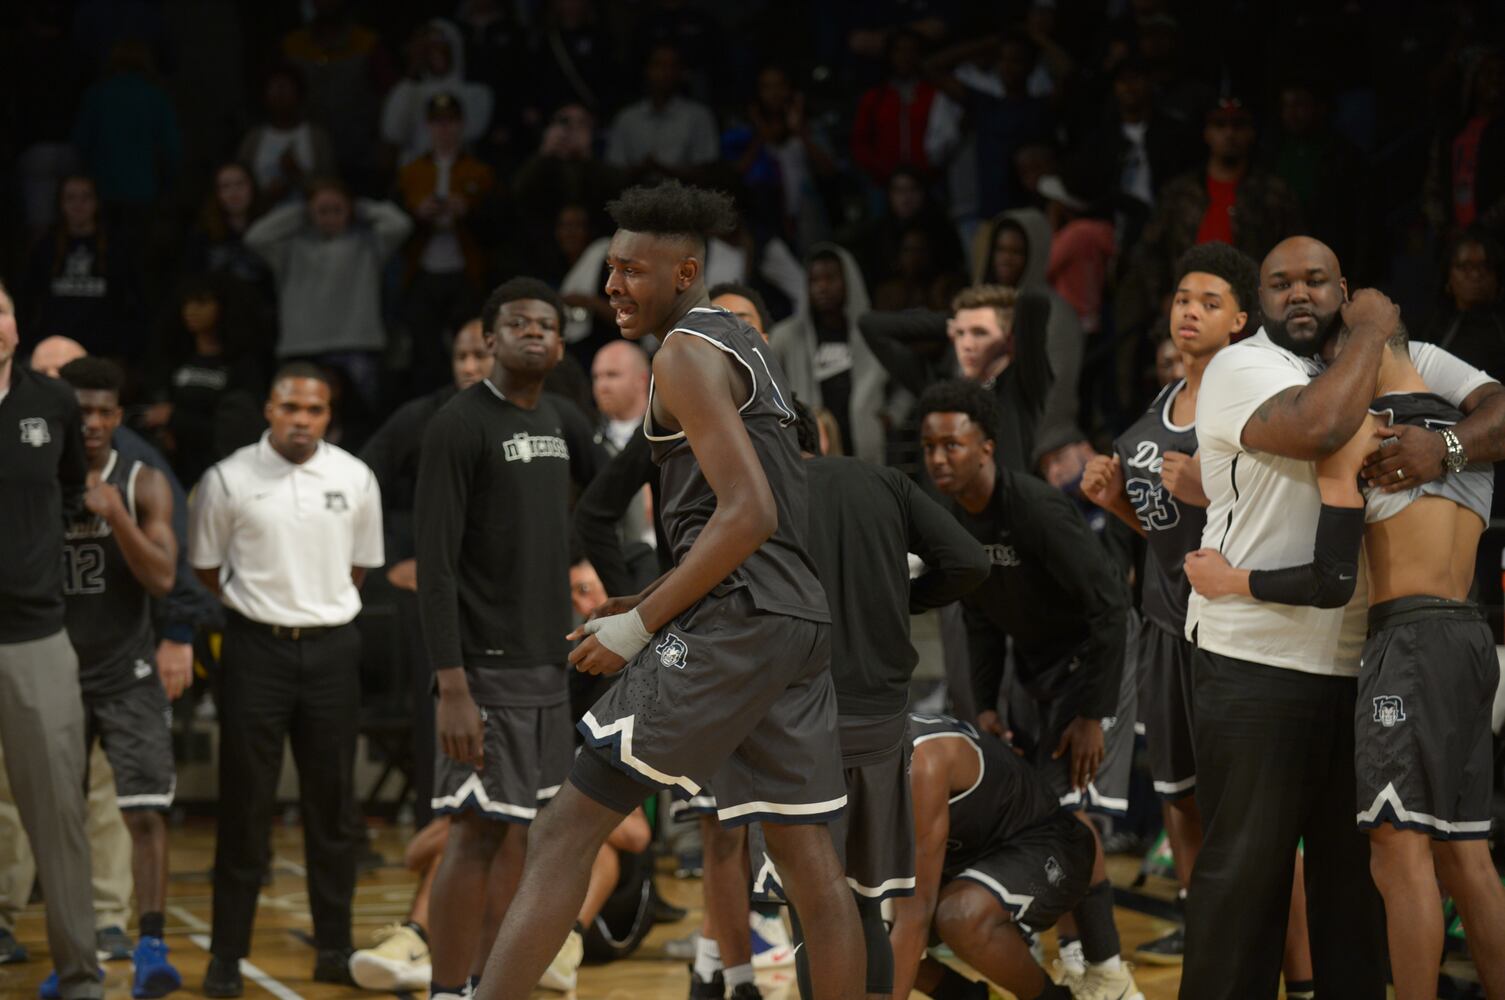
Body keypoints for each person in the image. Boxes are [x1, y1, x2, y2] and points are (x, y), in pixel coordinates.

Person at [473, 181, 864, 999]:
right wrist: (661, 595)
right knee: (806, 860)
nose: (611, 285)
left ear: (684, 272)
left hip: (741, 617)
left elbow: (749, 511)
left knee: (563, 827)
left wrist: (644, 620)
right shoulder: (742, 342)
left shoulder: (683, 352)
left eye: (631, 271)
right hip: (792, 617)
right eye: (610, 267)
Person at [1174, 235, 1505, 997]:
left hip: (1379, 651)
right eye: (1280, 283)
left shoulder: (1381, 417)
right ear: (1257, 302)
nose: (1298, 293)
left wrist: (1232, 579)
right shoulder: (1245, 366)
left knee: (1385, 867)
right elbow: (1317, 422)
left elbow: (1331, 574)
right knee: (1447, 858)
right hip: (1279, 660)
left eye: (1315, 281)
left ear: (1346, 294)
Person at [1080, 243, 1316, 979]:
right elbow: (1165, 531)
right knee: (1179, 803)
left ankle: (1304, 978)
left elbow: (1284, 505)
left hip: (1230, 631)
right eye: (1184, 298)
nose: (1189, 311)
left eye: (1209, 302)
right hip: (1162, 627)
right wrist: (1116, 500)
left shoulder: (1254, 397)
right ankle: (1205, 954)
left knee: (1252, 819)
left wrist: (1208, 491)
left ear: (1241, 319)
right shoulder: (1159, 405)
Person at [415, 278, 606, 999]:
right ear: (489, 340)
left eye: (547, 325)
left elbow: (606, 500)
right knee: (474, 833)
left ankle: (490, 987)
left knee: (522, 836)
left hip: (546, 666)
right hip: (481, 672)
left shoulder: (563, 418)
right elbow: (435, 567)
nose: (534, 333)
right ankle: (446, 991)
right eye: (519, 323)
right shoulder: (458, 424)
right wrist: (451, 685)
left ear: (560, 346)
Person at [917, 378, 1139, 997]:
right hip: (1037, 674)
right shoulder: (956, 521)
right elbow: (982, 620)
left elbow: (1110, 605)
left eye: (952, 445)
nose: (939, 458)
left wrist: (1093, 713)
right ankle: (1075, 957)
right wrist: (987, 705)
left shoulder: (1036, 509)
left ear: (986, 447)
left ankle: (1108, 971)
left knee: (1067, 815)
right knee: (1048, 815)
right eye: (929, 447)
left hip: (1095, 664)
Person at [189, 363, 385, 998]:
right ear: (269, 410)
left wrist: (313, 608)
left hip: (332, 651)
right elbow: (207, 570)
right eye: (291, 408)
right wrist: (268, 608)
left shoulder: (355, 476)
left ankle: (334, 947)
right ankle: (226, 956)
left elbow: (359, 568)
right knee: (245, 807)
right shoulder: (227, 478)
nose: (302, 420)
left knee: (334, 808)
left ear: (329, 415)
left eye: (315, 410)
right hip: (255, 650)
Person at [52, 358, 181, 999]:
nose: (94, 423)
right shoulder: (37, 484)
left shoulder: (142, 480)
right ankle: (73, 954)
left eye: (105, 411)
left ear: (119, 415)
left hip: (129, 672)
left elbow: (162, 577)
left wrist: (116, 516)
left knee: (145, 813)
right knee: (62, 820)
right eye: (83, 412)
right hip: (56, 672)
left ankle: (151, 946)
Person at [0, 279, 99, 1000]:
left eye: (1, 310)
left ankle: (80, 974)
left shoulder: (53, 402)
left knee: (59, 814)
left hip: (34, 636)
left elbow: (72, 489)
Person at [361, 318, 494, 839]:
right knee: (437, 712)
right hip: (439, 594)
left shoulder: (530, 413)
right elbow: (358, 479)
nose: (468, 367)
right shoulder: (424, 416)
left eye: (479, 356)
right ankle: (435, 831)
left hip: (502, 592)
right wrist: (390, 559)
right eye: (461, 357)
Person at [889, 714, 1115, 1000]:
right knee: (867, 923)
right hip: (967, 858)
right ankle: (967, 997)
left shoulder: (922, 761)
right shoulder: (848, 762)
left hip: (1046, 842)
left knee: (960, 915)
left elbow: (914, 915)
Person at [1115, 97, 1304, 341]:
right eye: (1220, 125)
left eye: (1238, 125)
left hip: (1254, 324)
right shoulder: (1179, 192)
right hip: (1186, 318)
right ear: (1206, 133)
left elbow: (1295, 255)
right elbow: (1149, 251)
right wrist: (1162, 298)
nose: (1229, 134)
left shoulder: (1274, 194)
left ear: (1251, 133)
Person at [244, 178, 413, 410]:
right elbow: (255, 237)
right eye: (322, 211)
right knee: (295, 415)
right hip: (301, 347)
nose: (330, 217)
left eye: (337, 210)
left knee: (360, 417)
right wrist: (299, 211)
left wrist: (360, 207)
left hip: (356, 345)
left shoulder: (369, 244)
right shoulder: (288, 248)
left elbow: (401, 224)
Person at [397, 92, 498, 396]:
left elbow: (499, 223)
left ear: (461, 125)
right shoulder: (411, 172)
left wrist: (467, 211)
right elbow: (395, 223)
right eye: (438, 122)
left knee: (470, 341)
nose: (444, 129)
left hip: (466, 270)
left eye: (451, 121)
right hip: (422, 269)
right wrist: (418, 214)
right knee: (425, 352)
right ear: (428, 126)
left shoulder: (480, 172)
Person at [767, 245, 882, 461]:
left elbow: (904, 378)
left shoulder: (872, 334)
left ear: (848, 281)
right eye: (814, 280)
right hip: (811, 450)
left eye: (830, 278)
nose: (822, 287)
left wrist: (892, 414)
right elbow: (766, 386)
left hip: (865, 449)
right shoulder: (786, 336)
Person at [22, 174, 145, 360]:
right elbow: (27, 299)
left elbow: (134, 301)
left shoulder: (117, 248)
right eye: (70, 198)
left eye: (85, 197)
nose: (78, 205)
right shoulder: (46, 248)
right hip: (55, 352)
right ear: (61, 204)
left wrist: (125, 350)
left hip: (103, 353)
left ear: (96, 203)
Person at [381, 19, 493, 167]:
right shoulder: (409, 91)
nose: (435, 52)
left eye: (441, 44)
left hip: (457, 173)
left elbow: (473, 131)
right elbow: (392, 132)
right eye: (429, 47)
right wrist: (412, 71)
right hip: (416, 172)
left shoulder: (476, 93)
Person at [606, 43, 720, 179]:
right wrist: (642, 169)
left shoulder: (699, 116)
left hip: (685, 192)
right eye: (659, 65)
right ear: (647, 70)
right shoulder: (626, 118)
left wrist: (661, 169)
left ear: (681, 72)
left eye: (673, 66)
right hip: (635, 191)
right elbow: (614, 173)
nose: (666, 72)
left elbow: (707, 173)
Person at [234, 65, 336, 209]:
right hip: (263, 216)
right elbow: (238, 183)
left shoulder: (317, 137)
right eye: (274, 88)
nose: (280, 95)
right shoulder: (253, 139)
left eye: (286, 88)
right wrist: (266, 195)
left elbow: (332, 186)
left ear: (299, 94)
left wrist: (296, 174)